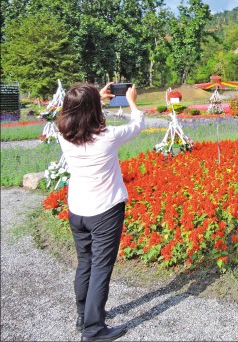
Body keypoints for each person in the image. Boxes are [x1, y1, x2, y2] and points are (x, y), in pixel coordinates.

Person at [57, 82, 144, 342]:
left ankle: (83, 316)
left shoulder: (62, 133)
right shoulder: (108, 136)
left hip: (78, 210)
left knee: (85, 263)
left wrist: (97, 100)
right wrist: (131, 101)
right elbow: (138, 123)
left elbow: (78, 116)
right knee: (101, 268)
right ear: (93, 109)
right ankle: (94, 329)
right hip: (105, 210)